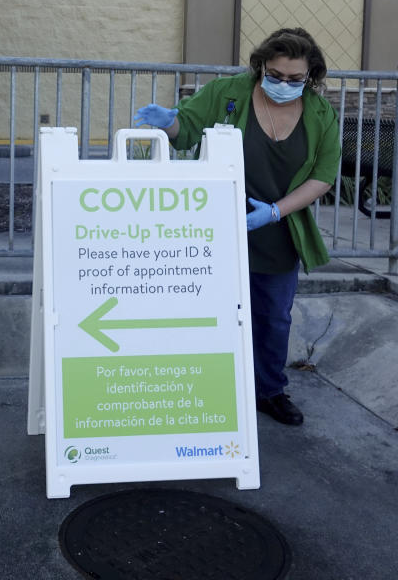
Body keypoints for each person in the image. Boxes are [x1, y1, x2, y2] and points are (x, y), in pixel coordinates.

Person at [134, 27, 341, 426]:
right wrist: (169, 123)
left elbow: (323, 177)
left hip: (277, 232)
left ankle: (270, 391)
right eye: (275, 75)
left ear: (310, 76)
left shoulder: (319, 113)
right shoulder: (228, 93)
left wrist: (275, 212)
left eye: (295, 79)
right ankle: (200, 387)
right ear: (261, 66)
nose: (283, 84)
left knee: (274, 317)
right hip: (214, 230)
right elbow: (186, 132)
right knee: (206, 311)